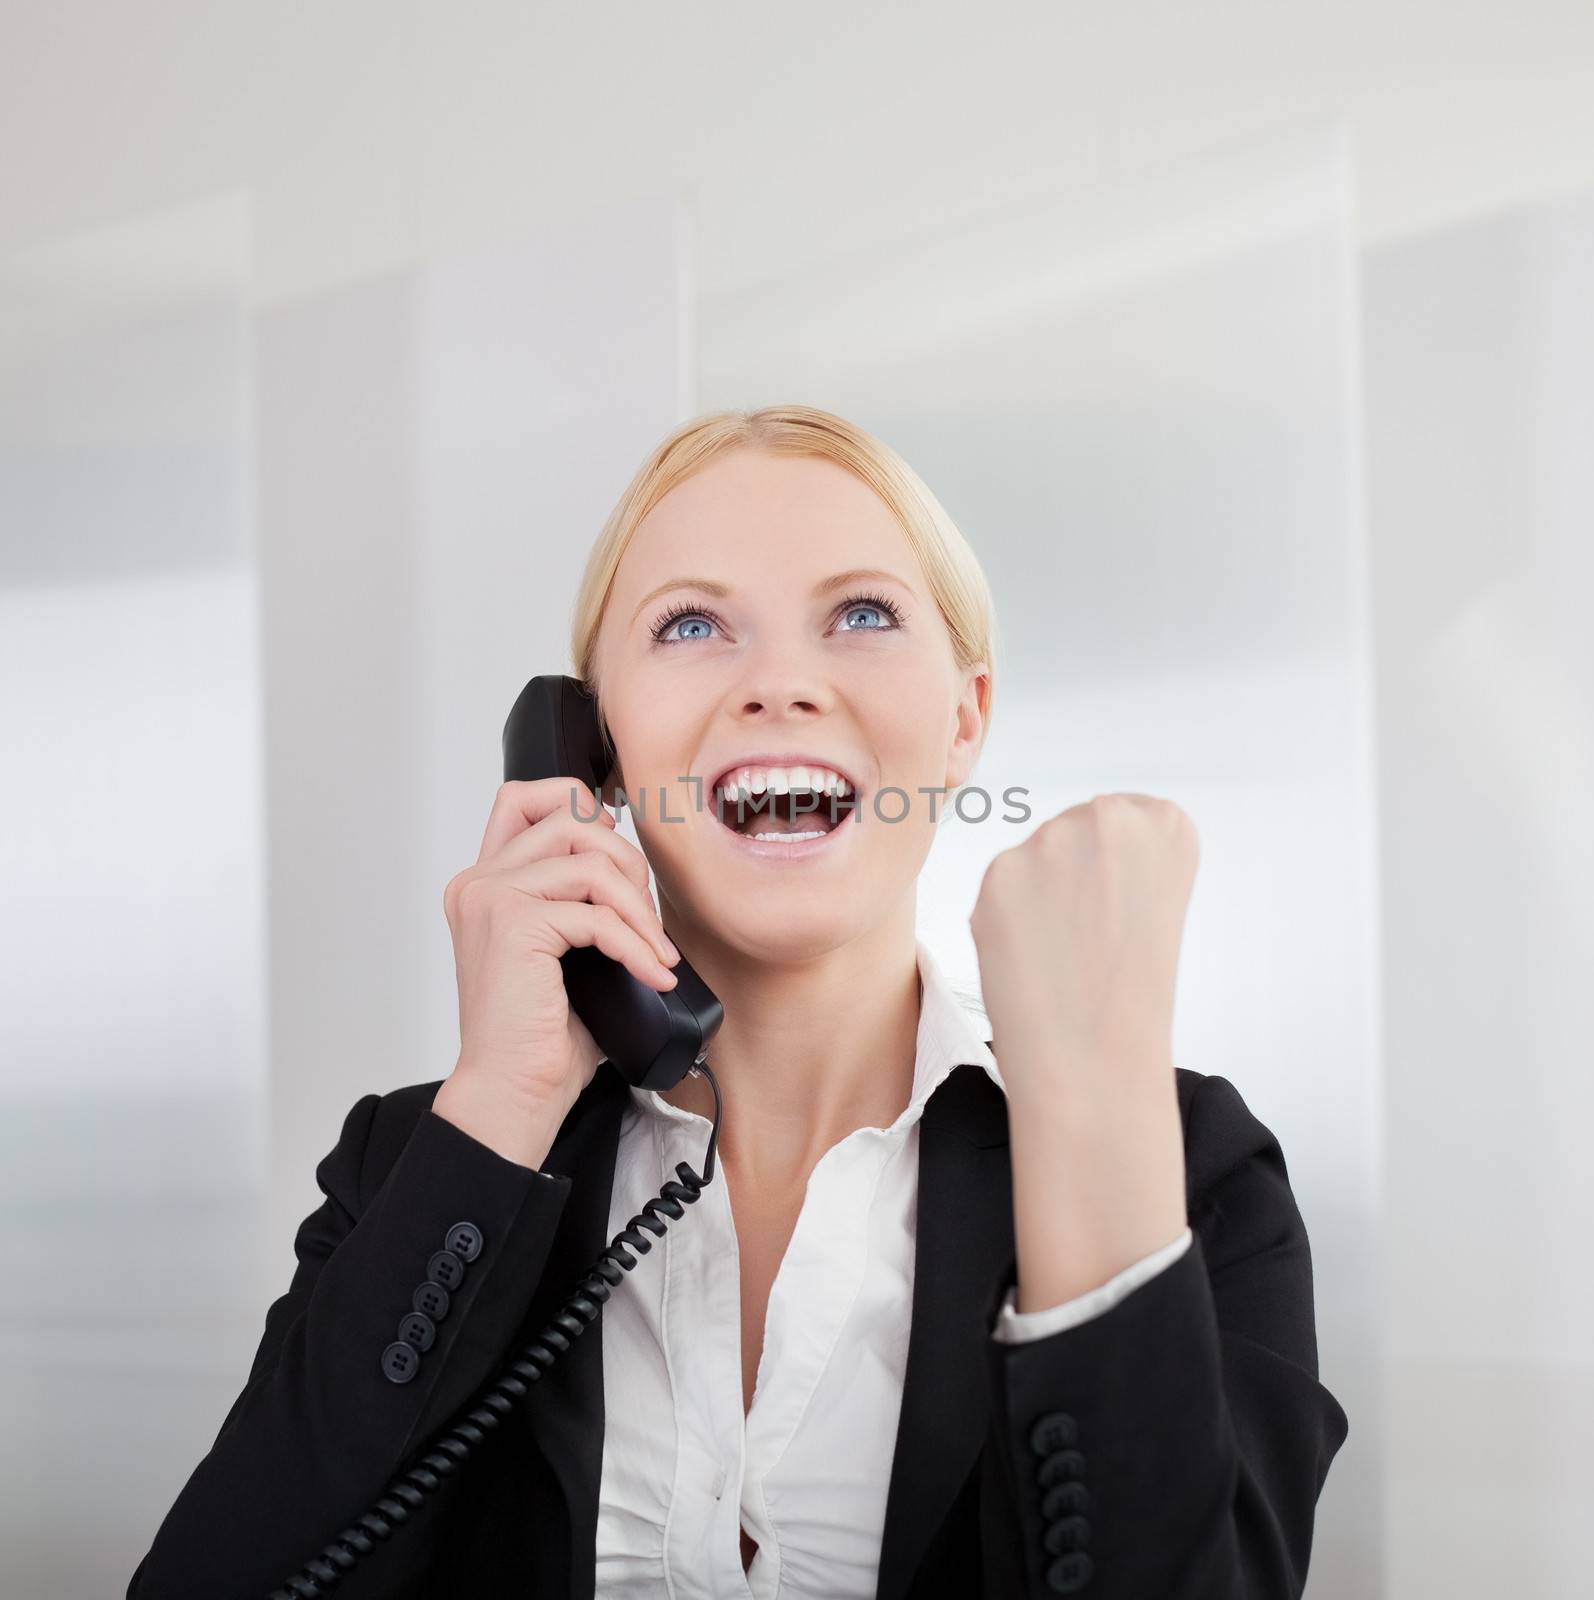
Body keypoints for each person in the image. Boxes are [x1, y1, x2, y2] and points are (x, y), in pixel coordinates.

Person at [127, 404, 1348, 1599]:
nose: (779, 683)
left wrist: (1088, 1113)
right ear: (591, 744)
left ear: (965, 717)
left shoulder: (1183, 1165)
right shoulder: (418, 1163)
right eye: (692, 624)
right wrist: (502, 1103)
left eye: (861, 613)